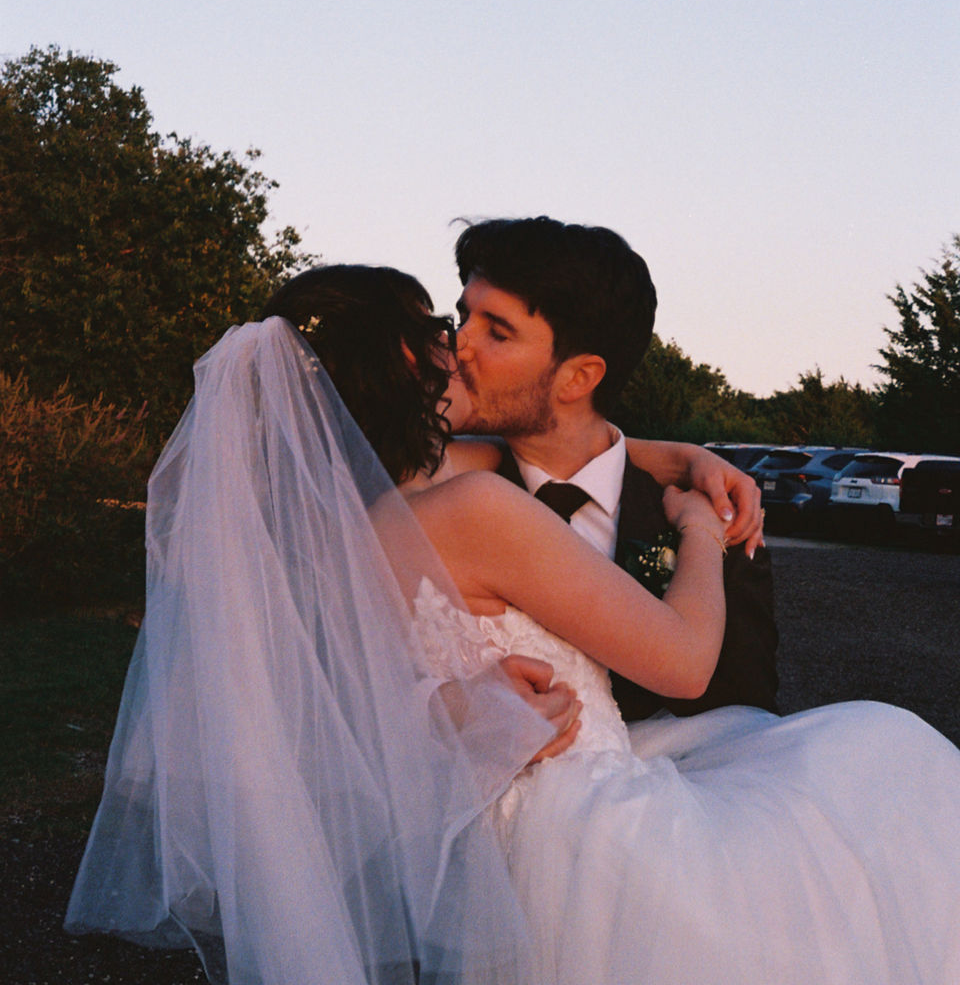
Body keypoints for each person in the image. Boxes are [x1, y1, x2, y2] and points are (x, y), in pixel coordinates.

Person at [67, 264, 960, 985]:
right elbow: (687, 662)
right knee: (887, 769)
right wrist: (696, 528)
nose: (457, 345)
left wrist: (449, 706)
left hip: (470, 858)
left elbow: (321, 709)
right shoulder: (473, 510)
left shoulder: (325, 526)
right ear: (406, 360)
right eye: (439, 327)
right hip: (587, 840)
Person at [448, 215, 779, 719]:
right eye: (463, 317)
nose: (458, 344)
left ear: (579, 378)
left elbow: (748, 719)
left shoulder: (716, 519)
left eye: (497, 332)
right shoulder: (441, 492)